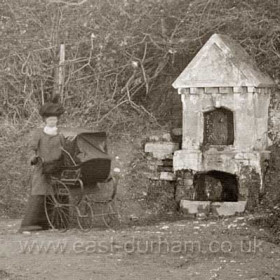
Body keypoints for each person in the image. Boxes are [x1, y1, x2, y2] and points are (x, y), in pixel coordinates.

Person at [18, 99, 65, 233]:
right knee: (39, 193)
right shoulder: (38, 133)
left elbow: (64, 148)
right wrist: (33, 158)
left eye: (54, 119)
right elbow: (32, 148)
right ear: (45, 120)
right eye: (50, 120)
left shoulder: (60, 133)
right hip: (41, 168)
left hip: (56, 167)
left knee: (55, 194)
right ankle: (30, 225)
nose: (52, 122)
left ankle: (54, 223)